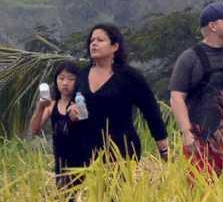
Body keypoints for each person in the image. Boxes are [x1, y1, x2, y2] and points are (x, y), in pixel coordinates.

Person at [76, 24, 169, 161]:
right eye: (92, 40)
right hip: (86, 151)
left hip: (122, 151)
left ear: (115, 47)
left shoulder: (129, 76)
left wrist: (163, 149)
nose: (94, 44)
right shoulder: (81, 75)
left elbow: (151, 111)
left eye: (100, 40)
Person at [169, 2, 223, 158]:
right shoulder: (190, 58)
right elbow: (176, 97)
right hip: (201, 143)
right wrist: (187, 134)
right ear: (213, 26)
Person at [29, 60, 92, 191]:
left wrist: (79, 114)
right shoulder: (51, 106)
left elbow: (89, 123)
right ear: (56, 80)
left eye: (71, 79)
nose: (65, 83)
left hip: (82, 161)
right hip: (60, 162)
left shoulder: (80, 103)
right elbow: (34, 130)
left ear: (77, 81)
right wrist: (40, 108)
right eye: (61, 78)